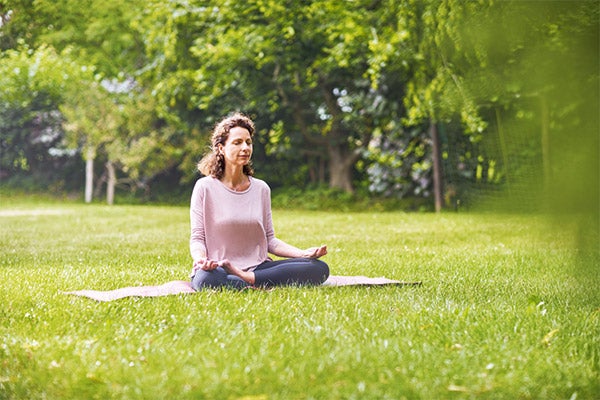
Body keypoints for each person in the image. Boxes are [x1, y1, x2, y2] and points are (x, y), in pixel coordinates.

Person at [189, 113, 330, 290]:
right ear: (221, 148)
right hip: (218, 268)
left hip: (257, 267)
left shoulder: (261, 189)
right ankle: (253, 281)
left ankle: (246, 279)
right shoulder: (204, 187)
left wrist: (303, 254)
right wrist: (201, 260)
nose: (245, 147)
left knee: (318, 268)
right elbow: (197, 238)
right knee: (206, 280)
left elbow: (270, 240)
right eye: (237, 142)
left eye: (248, 142)